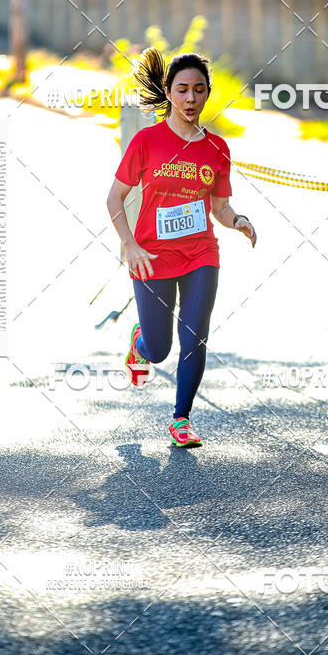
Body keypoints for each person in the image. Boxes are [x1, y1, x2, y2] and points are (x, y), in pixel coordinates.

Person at [106, 46, 257, 448]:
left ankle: (181, 419)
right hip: (151, 256)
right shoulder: (147, 141)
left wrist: (237, 221)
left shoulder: (218, 149)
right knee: (159, 351)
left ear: (208, 93)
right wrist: (130, 246)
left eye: (199, 90)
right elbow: (114, 199)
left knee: (195, 337)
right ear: (169, 92)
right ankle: (140, 341)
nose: (191, 98)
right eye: (183, 89)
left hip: (200, 254)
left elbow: (220, 207)